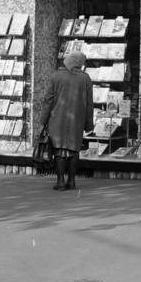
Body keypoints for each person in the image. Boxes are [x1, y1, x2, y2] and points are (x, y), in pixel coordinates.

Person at [42, 49, 94, 191]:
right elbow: (89, 104)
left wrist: (43, 120)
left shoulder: (56, 76)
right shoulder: (86, 79)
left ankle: (60, 181)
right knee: (73, 150)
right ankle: (71, 180)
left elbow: (48, 100)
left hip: (57, 120)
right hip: (76, 121)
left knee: (58, 150)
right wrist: (89, 124)